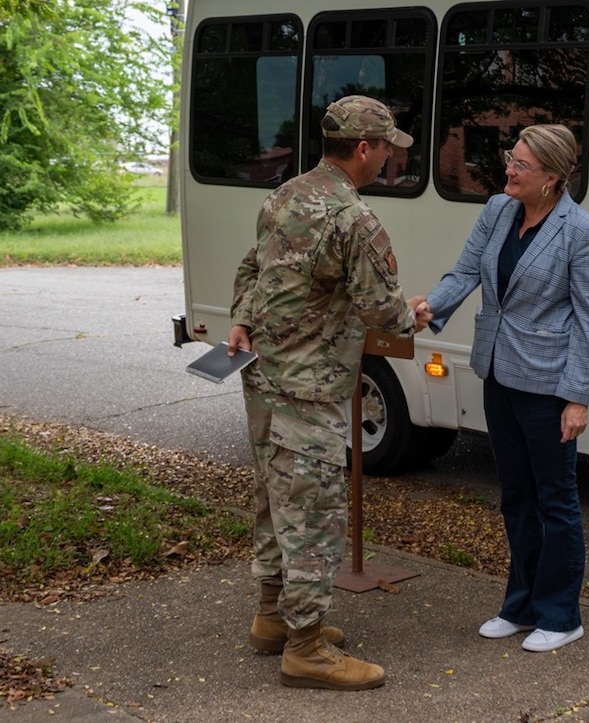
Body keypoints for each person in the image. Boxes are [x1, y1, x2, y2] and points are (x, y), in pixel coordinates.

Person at [227, 95, 431, 691]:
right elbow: (380, 309)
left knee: (273, 499)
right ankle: (307, 648)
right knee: (312, 513)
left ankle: (272, 616)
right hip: (309, 389)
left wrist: (240, 316)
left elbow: (252, 269)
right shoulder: (354, 220)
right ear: (363, 149)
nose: (392, 156)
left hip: (263, 376)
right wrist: (412, 314)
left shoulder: (283, 195)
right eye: (388, 147)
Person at [416, 125, 589, 653]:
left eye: (520, 164)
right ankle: (520, 606)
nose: (508, 170)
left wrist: (578, 397)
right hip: (498, 372)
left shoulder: (583, 232)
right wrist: (432, 306)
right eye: (509, 158)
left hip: (549, 387)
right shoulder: (499, 210)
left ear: (552, 177)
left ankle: (562, 615)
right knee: (515, 498)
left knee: (556, 502)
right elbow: (466, 270)